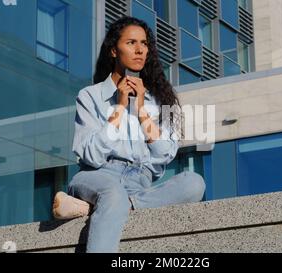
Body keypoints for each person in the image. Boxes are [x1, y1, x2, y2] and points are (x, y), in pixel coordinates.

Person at [52, 16, 206, 253]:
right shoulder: (90, 96)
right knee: (113, 193)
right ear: (114, 50)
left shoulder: (160, 100)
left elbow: (165, 154)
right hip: (97, 176)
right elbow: (91, 156)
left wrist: (142, 110)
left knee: (194, 183)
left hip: (139, 183)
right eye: (131, 43)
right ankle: (109, 203)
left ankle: (104, 207)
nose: (139, 50)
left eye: (144, 44)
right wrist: (120, 108)